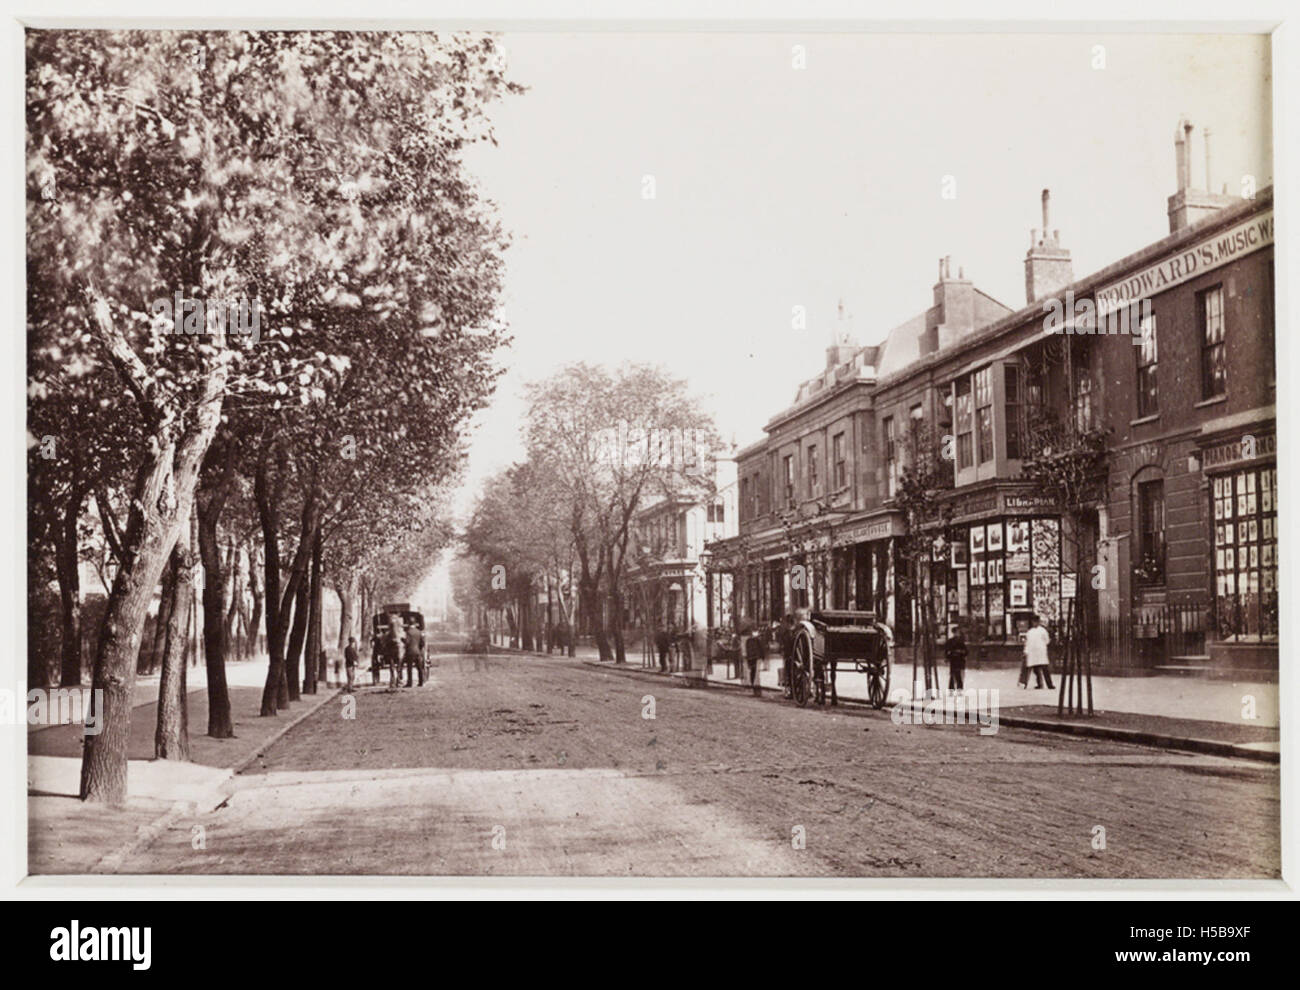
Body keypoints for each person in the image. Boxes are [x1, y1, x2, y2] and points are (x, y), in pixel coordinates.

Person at [1023, 614, 1054, 689]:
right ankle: (1040, 684)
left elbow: (1047, 640)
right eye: (1034, 622)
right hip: (1034, 653)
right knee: (1036, 670)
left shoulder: (1042, 631)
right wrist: (1026, 651)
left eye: (1036, 622)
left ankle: (1049, 684)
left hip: (1040, 652)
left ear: (1038, 622)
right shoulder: (1030, 632)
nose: (1035, 623)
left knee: (1045, 670)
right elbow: (1027, 642)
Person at [944, 625, 968, 691]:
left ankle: (956, 687)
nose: (958, 633)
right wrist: (948, 656)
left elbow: (966, 651)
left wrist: (962, 653)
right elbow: (947, 650)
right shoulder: (950, 641)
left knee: (958, 673)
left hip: (960, 660)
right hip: (954, 659)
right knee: (954, 674)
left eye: (958, 632)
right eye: (957, 632)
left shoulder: (961, 641)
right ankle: (956, 688)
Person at [403, 621, 425, 687]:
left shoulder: (408, 632)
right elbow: (422, 643)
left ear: (409, 625)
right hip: (417, 652)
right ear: (415, 624)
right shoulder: (419, 632)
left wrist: (402, 640)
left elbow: (407, 642)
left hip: (410, 652)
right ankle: (421, 682)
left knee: (409, 668)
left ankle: (410, 683)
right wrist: (419, 649)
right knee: (419, 668)